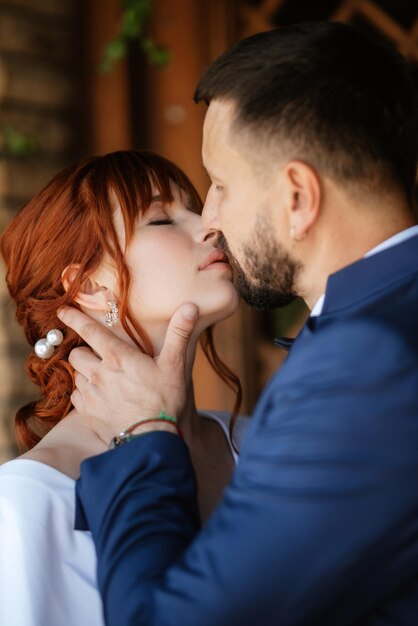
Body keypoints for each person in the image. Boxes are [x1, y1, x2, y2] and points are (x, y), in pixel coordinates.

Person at [60, 21, 418, 626]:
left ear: (297, 198)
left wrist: (146, 433)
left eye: (219, 186)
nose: (212, 220)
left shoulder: (363, 366)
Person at [0, 150, 246, 626]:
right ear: (89, 285)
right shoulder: (26, 505)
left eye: (194, 207)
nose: (209, 226)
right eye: (161, 219)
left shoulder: (259, 443)